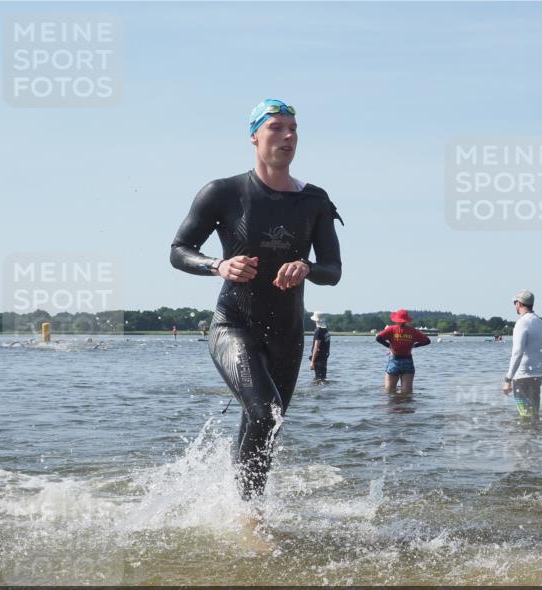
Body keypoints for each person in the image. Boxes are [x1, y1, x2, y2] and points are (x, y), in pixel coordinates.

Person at [170, 98, 343, 500]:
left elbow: (333, 270)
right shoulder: (223, 192)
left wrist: (306, 267)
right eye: (276, 128)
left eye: (293, 129)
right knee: (264, 411)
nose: (287, 136)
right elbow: (179, 250)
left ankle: (248, 508)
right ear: (254, 136)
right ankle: (247, 515)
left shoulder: (314, 200)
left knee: (268, 421)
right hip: (234, 325)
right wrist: (218, 265)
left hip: (288, 333)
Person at [503, 290, 542, 418]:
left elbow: (517, 353)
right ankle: (536, 431)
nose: (515, 305)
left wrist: (508, 379)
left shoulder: (522, 323)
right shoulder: (541, 323)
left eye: (515, 303)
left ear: (519, 303)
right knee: (534, 414)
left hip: (522, 377)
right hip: (537, 376)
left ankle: (524, 432)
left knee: (524, 416)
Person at [376, 309, 431, 394]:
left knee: (389, 391)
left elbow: (378, 338)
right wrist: (415, 345)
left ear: (396, 319)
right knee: (407, 392)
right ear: (406, 320)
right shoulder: (413, 331)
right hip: (407, 361)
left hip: (394, 361)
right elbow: (427, 341)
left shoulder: (391, 329)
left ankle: (394, 402)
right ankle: (405, 402)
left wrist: (389, 346)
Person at [309, 311, 331, 381]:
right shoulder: (326, 331)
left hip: (319, 359)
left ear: (315, 321)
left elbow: (316, 347)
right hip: (324, 358)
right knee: (322, 378)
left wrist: (312, 362)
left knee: (318, 379)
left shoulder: (318, 331)